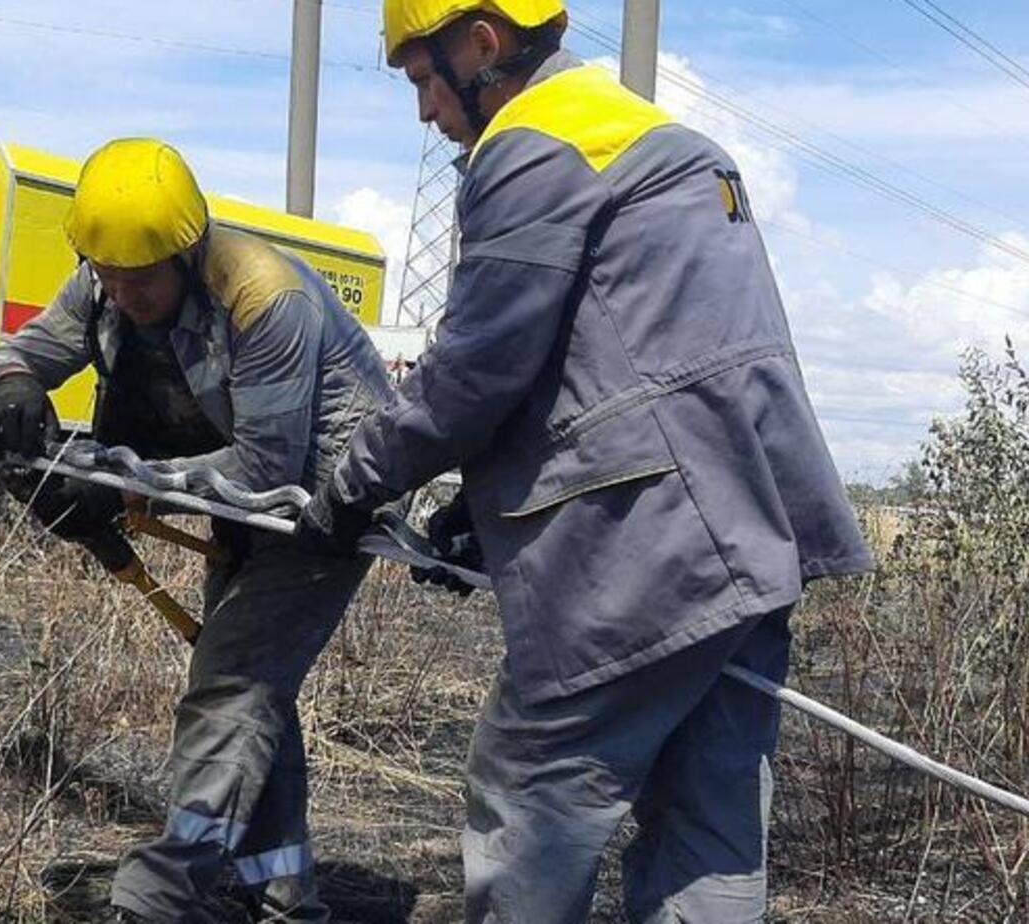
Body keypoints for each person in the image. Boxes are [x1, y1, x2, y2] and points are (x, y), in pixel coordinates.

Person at [297, 2, 875, 920]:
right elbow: (621, 356)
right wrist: (483, 505)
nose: (425, 114)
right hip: (753, 537)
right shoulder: (671, 147)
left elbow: (474, 371)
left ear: (481, 46)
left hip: (645, 559)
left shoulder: (531, 148)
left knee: (530, 793)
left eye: (421, 81)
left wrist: (352, 485)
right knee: (708, 829)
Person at [0, 138, 394, 923]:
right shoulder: (101, 281)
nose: (123, 296)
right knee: (252, 691)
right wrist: (12, 385)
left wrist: (126, 489)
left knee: (230, 680)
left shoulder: (266, 299)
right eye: (110, 279)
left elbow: (270, 467)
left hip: (324, 508)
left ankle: (166, 890)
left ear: (187, 249)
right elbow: (19, 352)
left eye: (141, 282)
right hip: (234, 507)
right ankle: (289, 900)